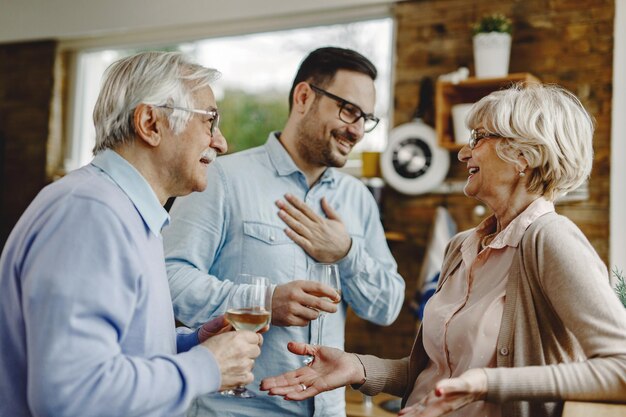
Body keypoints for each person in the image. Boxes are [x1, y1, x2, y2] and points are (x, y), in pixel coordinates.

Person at [260, 83, 626, 417]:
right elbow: (436, 374)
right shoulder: (461, 246)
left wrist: (487, 383)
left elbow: (620, 367)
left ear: (523, 156)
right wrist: (358, 367)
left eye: (479, 137)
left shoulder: (550, 238)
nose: (464, 152)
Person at [0, 51, 264, 417]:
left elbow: (117, 351)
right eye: (210, 121)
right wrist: (207, 367)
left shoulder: (125, 212)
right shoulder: (92, 215)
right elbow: (71, 393)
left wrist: (191, 345)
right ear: (150, 123)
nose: (221, 143)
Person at [162, 46, 405, 417]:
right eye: (349, 111)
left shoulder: (358, 199)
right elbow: (169, 279)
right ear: (304, 96)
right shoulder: (221, 179)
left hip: (328, 410)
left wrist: (346, 253)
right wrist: (262, 304)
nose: (357, 130)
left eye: (367, 119)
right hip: (236, 410)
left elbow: (387, 308)